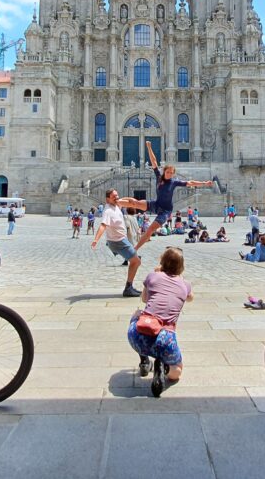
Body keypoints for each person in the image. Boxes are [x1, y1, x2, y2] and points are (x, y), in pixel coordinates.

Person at [117, 141, 213, 251]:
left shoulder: (174, 182)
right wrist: (149, 147)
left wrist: (204, 183)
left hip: (166, 211)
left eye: (172, 173)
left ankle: (134, 249)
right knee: (135, 203)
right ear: (164, 171)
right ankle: (116, 202)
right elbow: (153, 161)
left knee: (150, 230)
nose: (170, 174)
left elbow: (190, 183)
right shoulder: (158, 176)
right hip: (156, 204)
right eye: (168, 172)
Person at [127, 246, 193, 389]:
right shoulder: (185, 285)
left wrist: (157, 273)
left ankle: (144, 360)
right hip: (165, 340)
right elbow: (190, 298)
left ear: (161, 262)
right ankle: (164, 369)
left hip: (139, 335)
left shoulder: (152, 276)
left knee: (137, 314)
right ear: (182, 266)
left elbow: (144, 299)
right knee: (178, 370)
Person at [91, 189, 142, 297]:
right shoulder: (108, 211)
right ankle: (128, 288)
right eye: (114, 196)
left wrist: (132, 199)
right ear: (107, 199)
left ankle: (129, 287)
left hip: (120, 240)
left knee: (135, 260)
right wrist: (96, 239)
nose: (117, 197)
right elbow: (103, 225)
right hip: (118, 241)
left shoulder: (117, 204)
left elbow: (125, 201)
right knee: (136, 261)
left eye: (117, 195)